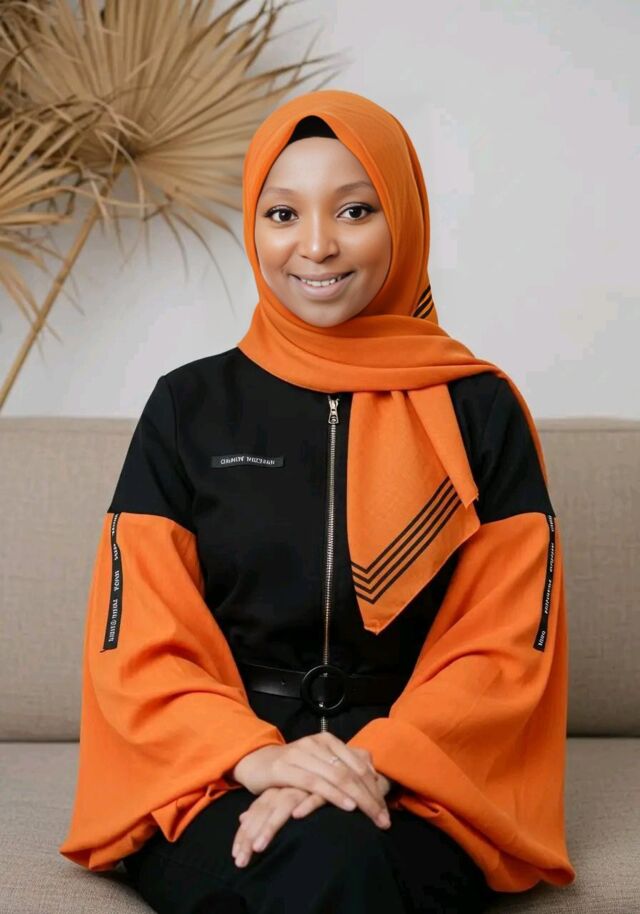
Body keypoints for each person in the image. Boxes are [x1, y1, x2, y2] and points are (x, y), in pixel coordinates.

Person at [58, 89, 577, 913]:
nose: (316, 245)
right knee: (319, 861)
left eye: (355, 210)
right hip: (215, 773)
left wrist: (374, 760)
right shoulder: (189, 406)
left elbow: (506, 645)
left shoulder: (479, 410)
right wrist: (258, 759)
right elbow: (139, 640)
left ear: (403, 219)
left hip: (423, 779)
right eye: (283, 214)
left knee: (339, 857)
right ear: (253, 228)